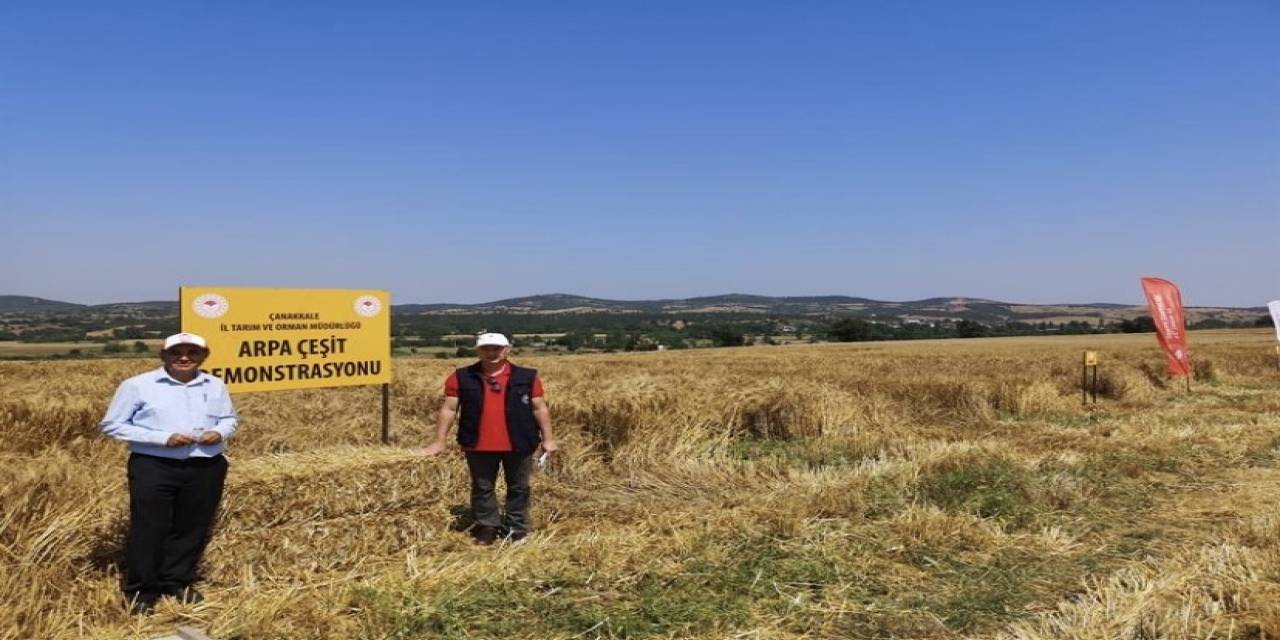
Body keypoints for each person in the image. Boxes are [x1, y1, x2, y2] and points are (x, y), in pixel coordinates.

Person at [99, 332, 237, 614]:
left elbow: (229, 419)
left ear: (204, 356)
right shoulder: (137, 386)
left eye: (192, 352)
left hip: (206, 464)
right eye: (176, 352)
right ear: (163, 355)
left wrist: (219, 432)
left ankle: (177, 581)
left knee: (192, 526)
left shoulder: (215, 384)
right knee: (149, 527)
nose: (184, 358)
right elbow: (112, 424)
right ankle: (141, 590)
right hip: (154, 465)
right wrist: (162, 438)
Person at [422, 332, 557, 544]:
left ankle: (516, 528)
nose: (491, 353)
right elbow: (449, 409)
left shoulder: (527, 376)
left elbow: (539, 408)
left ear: (507, 350)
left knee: (519, 487)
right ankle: (487, 527)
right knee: (482, 487)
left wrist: (548, 439)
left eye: (497, 348)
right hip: (477, 442)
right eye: (486, 348)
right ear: (478, 351)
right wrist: (439, 441)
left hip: (520, 441)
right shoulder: (462, 376)